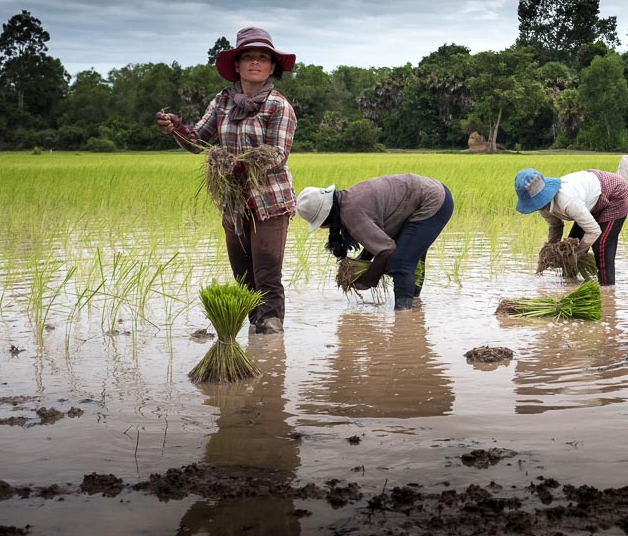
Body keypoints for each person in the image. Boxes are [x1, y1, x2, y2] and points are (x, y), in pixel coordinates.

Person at [155, 27, 297, 334]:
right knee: (244, 277)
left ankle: (271, 335)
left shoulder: (278, 106)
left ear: (272, 66)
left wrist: (239, 167)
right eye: (248, 57)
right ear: (236, 65)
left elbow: (276, 154)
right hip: (234, 204)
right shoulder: (222, 103)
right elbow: (197, 142)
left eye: (263, 58)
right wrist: (177, 128)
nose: (255, 63)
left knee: (266, 275)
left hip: (270, 202)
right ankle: (253, 333)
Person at [295, 175, 454, 310]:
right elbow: (377, 240)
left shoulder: (351, 214)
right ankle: (415, 306)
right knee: (413, 260)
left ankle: (403, 322)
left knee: (402, 263)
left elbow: (386, 250)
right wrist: (361, 261)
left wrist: (367, 280)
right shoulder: (348, 199)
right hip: (432, 191)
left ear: (325, 218)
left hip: (432, 201)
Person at [514, 167, 628, 286]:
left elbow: (594, 231)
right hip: (590, 198)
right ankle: (570, 285)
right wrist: (550, 252)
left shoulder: (568, 201)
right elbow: (556, 227)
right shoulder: (541, 206)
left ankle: (607, 292)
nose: (537, 206)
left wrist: (577, 254)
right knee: (567, 250)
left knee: (601, 246)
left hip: (615, 194)